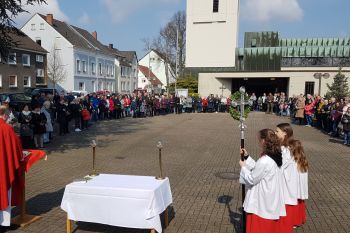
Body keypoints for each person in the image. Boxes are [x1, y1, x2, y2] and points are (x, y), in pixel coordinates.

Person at [239, 129, 288, 233]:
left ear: (263, 141)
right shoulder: (276, 154)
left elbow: (252, 179)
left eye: (259, 139)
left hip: (263, 197)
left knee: (260, 226)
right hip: (271, 194)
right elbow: (259, 169)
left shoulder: (265, 160)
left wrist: (243, 167)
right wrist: (247, 157)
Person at [0, 105, 24, 227]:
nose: (9, 117)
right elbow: (16, 147)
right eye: (8, 115)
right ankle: (3, 224)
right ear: (4, 114)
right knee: (4, 192)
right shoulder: (6, 128)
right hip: (3, 168)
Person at [275, 123, 299, 230]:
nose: (275, 133)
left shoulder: (285, 149)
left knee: (285, 207)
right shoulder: (285, 146)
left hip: (285, 181)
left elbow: (279, 166)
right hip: (286, 180)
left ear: (285, 133)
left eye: (277, 131)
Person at [289, 140, 308, 227]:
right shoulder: (302, 159)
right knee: (300, 203)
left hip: (295, 187)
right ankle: (300, 219)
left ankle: (294, 221)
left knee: (295, 205)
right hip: (301, 187)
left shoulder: (293, 161)